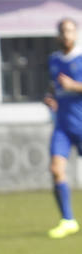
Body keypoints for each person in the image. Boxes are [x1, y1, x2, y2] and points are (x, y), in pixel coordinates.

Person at [46, 17, 82, 238]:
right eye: (63, 31)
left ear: (76, 34)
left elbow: (70, 86)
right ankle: (68, 220)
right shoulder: (53, 60)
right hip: (62, 126)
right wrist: (50, 98)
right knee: (56, 169)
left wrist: (74, 86)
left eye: (70, 30)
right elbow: (54, 88)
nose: (66, 35)